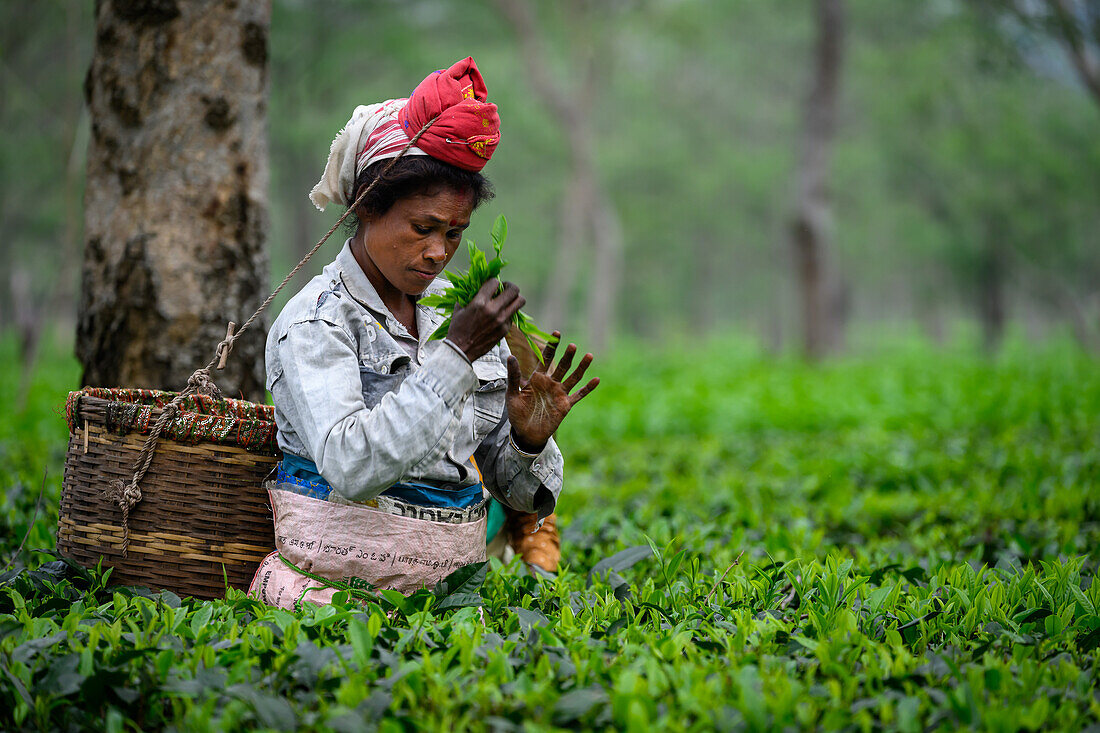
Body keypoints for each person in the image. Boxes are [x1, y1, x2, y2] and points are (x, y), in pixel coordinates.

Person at [248, 58, 597, 609]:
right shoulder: (316, 322)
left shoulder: (450, 314)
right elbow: (351, 466)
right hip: (329, 601)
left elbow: (517, 493)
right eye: (423, 228)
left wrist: (529, 440)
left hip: (454, 604)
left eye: (454, 233)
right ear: (367, 208)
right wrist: (455, 357)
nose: (438, 252)